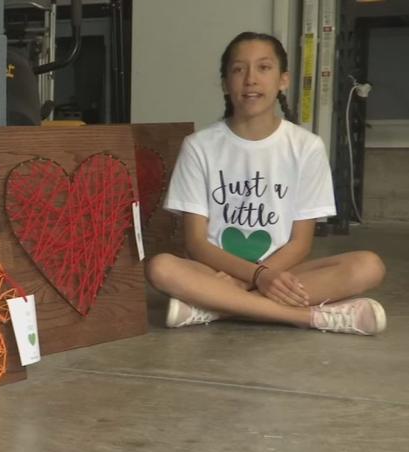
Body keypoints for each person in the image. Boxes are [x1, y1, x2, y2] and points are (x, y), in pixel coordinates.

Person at [145, 31, 387, 335]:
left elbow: (300, 243)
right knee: (162, 267)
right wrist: (256, 276)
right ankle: (309, 317)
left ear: (283, 80)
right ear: (224, 83)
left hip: (282, 271)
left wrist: (259, 276)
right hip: (214, 272)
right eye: (238, 69)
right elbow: (195, 243)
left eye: (263, 67)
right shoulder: (199, 146)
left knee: (369, 265)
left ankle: (214, 306)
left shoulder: (306, 147)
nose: (250, 79)